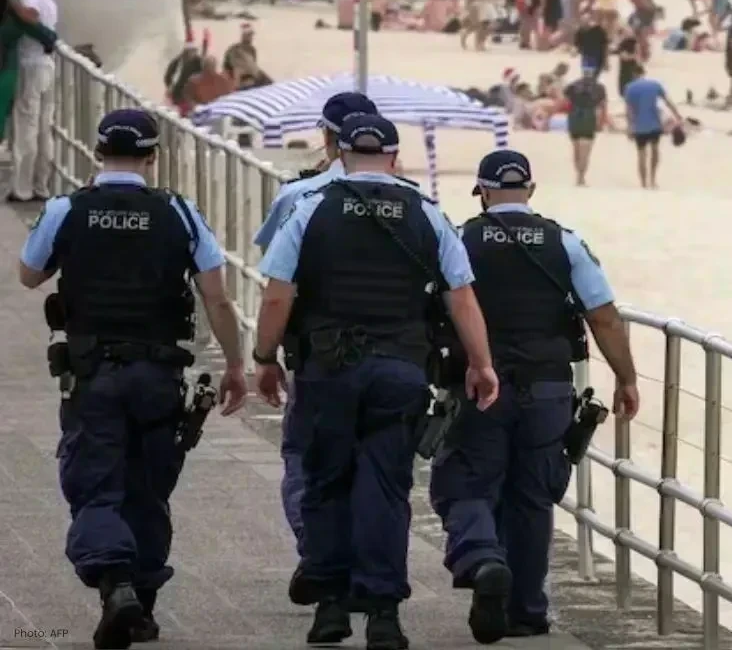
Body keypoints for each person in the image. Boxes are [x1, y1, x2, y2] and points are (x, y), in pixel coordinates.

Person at [253, 113, 499, 649]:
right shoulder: (426, 213)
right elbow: (461, 297)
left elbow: (277, 295)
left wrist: (264, 356)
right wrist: (481, 363)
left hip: (327, 372)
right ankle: (384, 614)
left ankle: (331, 609)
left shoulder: (311, 207)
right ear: (393, 155)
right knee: (386, 490)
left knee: (325, 484)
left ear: (339, 151)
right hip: (401, 370)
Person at [18, 109, 248, 649]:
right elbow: (217, 297)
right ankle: (139, 605)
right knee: (148, 487)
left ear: (98, 152)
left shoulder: (67, 208)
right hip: (159, 375)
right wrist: (236, 366)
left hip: (92, 373)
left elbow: (30, 275)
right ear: (153, 156)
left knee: (97, 484)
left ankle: (116, 585)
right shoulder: (180, 213)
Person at [432, 149, 640, 642]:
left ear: (481, 192)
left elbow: (438, 304)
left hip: (478, 384)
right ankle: (525, 610)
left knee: (465, 484)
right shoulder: (564, 242)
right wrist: (626, 377)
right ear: (530, 190)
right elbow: (604, 316)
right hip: (549, 388)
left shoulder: (460, 239)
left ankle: (483, 559)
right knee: (533, 498)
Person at [252, 91, 378, 556]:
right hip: (395, 352)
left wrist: (263, 356)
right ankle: (366, 560)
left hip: (316, 353)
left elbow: (276, 280)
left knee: (307, 456)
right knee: (376, 460)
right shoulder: (415, 202)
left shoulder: (299, 195)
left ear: (328, 137)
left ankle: (320, 554)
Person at [9, 0, 57, 203]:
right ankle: (41, 185)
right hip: (47, 66)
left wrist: (13, 5)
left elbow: (30, 20)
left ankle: (22, 188)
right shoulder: (49, 0)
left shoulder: (27, 2)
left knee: (26, 127)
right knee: (44, 128)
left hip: (30, 65)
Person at [623, 65, 684, 189]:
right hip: (654, 123)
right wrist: (678, 115)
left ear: (633, 74)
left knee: (641, 154)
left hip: (639, 125)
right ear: (643, 73)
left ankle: (643, 183)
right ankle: (653, 180)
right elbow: (668, 101)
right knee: (655, 150)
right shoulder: (655, 85)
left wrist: (629, 127)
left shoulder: (629, 88)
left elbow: (629, 110)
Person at [565, 69, 608, 186]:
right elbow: (603, 106)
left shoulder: (573, 86)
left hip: (574, 118)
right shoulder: (599, 88)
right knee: (586, 150)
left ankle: (578, 174)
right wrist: (601, 122)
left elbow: (566, 102)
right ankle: (581, 176)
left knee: (576, 149)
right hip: (589, 118)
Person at [574, 9, 609, 77]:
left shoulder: (599, 30)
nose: (584, 23)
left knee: (595, 77)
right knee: (587, 78)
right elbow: (577, 44)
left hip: (599, 58)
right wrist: (577, 50)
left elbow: (605, 46)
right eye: (582, 21)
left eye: (586, 20)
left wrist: (606, 61)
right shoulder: (580, 31)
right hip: (587, 58)